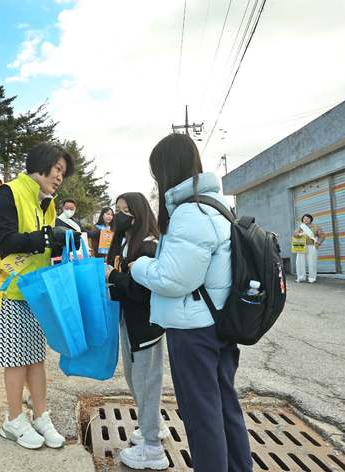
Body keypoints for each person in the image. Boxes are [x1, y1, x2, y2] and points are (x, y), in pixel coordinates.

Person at [131, 133, 253, 472]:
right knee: (224, 407)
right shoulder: (215, 204)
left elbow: (174, 280)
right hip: (219, 320)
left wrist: (139, 266)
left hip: (195, 329)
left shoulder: (190, 211)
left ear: (167, 169)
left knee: (201, 414)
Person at [0, 142, 78, 450]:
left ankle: (40, 415)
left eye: (63, 172)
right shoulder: (8, 192)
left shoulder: (44, 203)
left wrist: (57, 243)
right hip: (5, 289)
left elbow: (40, 246)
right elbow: (6, 240)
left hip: (33, 289)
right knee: (16, 359)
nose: (60, 177)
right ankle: (13, 419)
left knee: (36, 357)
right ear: (40, 164)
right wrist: (48, 236)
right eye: (57, 169)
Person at [104, 193, 168, 470]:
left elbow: (141, 291)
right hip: (130, 322)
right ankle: (155, 425)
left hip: (146, 326)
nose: (119, 215)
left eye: (126, 210)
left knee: (145, 382)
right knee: (135, 379)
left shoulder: (149, 245)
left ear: (139, 213)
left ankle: (154, 449)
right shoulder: (127, 241)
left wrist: (113, 276)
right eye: (117, 210)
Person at [293, 214, 325, 284]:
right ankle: (301, 277)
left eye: (307, 218)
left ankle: (312, 278)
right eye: (304, 218)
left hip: (312, 246)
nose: (306, 219)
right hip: (301, 246)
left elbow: (322, 236)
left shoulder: (316, 227)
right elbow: (295, 234)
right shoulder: (300, 227)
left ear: (311, 219)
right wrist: (301, 234)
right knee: (300, 262)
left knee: (312, 262)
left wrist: (318, 244)